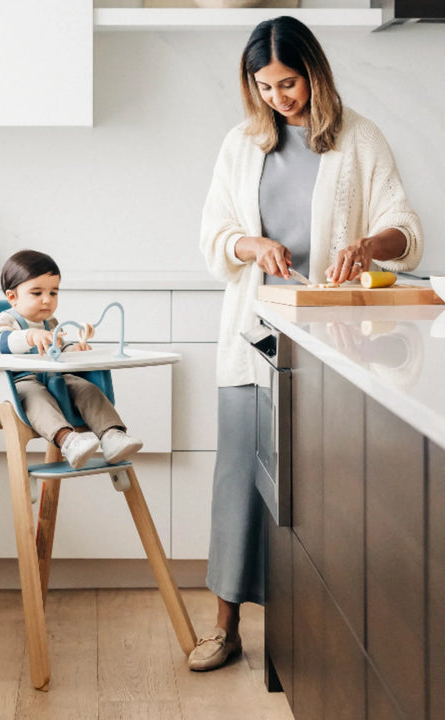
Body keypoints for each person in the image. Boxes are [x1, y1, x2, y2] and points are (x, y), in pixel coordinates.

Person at [190, 16, 423, 672]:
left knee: (320, 486)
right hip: (251, 334)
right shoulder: (241, 144)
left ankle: (323, 632)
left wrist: (369, 245)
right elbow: (214, 237)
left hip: (330, 341)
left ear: (313, 72)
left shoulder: (358, 140)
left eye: (287, 83)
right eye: (264, 86)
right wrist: (249, 244)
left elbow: (403, 228)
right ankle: (224, 626)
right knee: (237, 477)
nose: (277, 97)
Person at [0, 249, 143, 469]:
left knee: (86, 388)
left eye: (53, 293)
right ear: (12, 297)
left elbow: (58, 348)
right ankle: (67, 441)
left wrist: (74, 349)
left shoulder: (51, 322)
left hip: (54, 379)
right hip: (22, 383)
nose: (46, 300)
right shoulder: (7, 319)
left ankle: (111, 435)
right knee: (34, 398)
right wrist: (29, 336)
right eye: (37, 293)